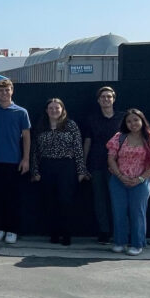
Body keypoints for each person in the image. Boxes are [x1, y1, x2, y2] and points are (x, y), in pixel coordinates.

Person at [31, 98, 89, 246]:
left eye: (57, 108)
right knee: (50, 202)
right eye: (51, 108)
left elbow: (78, 148)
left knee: (66, 201)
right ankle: (54, 233)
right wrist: (35, 170)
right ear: (46, 110)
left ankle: (67, 233)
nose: (54, 110)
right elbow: (35, 150)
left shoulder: (70, 125)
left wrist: (81, 170)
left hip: (66, 166)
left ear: (62, 109)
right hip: (47, 165)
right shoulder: (41, 125)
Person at [107, 109, 150, 256]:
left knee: (137, 213)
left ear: (142, 121)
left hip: (141, 182)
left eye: (136, 120)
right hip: (118, 181)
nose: (133, 124)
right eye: (129, 121)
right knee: (119, 212)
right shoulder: (118, 138)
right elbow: (111, 159)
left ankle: (137, 244)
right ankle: (120, 242)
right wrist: (120, 176)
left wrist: (140, 178)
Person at [0, 79, 31, 244]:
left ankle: (13, 230)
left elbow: (26, 136)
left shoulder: (21, 112)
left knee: (14, 198)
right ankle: (1, 228)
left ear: (12, 91)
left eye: (7, 90)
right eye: (1, 91)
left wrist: (26, 159)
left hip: (14, 162)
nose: (4, 93)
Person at [82, 86, 125, 245]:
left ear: (113, 99)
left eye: (109, 96)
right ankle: (104, 231)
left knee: (118, 199)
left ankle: (119, 230)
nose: (106, 99)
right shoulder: (91, 119)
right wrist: (83, 164)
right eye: (103, 97)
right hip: (97, 163)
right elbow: (87, 141)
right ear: (98, 100)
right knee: (100, 199)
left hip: (119, 165)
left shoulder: (123, 118)